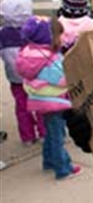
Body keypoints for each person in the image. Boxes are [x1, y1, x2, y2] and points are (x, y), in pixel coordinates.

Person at [15, 16, 81, 180]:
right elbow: (62, 80)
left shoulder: (27, 53)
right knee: (58, 136)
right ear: (49, 37)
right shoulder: (51, 58)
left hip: (38, 99)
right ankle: (63, 168)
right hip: (55, 101)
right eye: (59, 35)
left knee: (50, 133)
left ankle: (49, 161)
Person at [0, 0, 46, 145]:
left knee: (22, 106)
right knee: (40, 104)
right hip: (35, 75)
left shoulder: (2, 34)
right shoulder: (34, 28)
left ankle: (27, 136)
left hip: (15, 78)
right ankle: (43, 132)